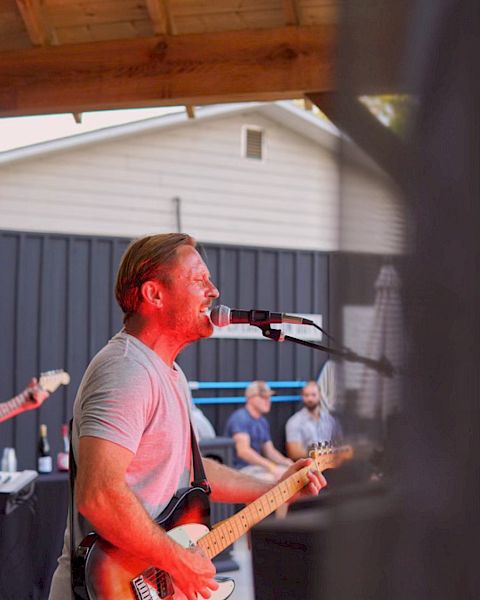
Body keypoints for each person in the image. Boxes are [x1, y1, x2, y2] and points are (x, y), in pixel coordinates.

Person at [49, 233, 326, 600]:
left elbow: (189, 472)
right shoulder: (126, 369)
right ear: (154, 295)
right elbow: (99, 495)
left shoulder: (170, 374)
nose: (213, 291)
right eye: (198, 280)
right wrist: (177, 560)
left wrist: (276, 490)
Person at [224, 380, 293, 482]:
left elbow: (270, 451)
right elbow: (243, 451)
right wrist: (272, 467)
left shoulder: (262, 421)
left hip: (256, 468)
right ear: (249, 398)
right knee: (275, 479)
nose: (268, 400)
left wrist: (288, 463)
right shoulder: (240, 418)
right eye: (263, 397)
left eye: (269, 397)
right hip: (239, 470)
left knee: (291, 474)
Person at [285, 380, 343, 460]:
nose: (310, 399)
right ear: (302, 397)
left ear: (320, 395)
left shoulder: (330, 420)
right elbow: (294, 453)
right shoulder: (294, 422)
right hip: (309, 466)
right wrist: (320, 454)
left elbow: (340, 443)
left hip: (332, 464)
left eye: (313, 395)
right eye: (306, 395)